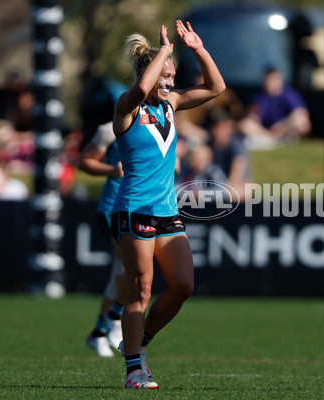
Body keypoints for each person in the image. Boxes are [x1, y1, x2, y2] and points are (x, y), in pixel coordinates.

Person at [110, 21, 225, 389]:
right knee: (141, 289)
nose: (168, 82)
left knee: (182, 286)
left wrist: (197, 49)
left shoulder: (172, 105)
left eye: (172, 76)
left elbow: (216, 87)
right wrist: (164, 52)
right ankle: (133, 371)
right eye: (164, 75)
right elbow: (143, 86)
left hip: (166, 212)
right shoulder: (126, 108)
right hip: (134, 209)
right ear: (149, 71)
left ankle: (139, 342)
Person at [79, 121, 128, 358]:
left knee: (124, 271)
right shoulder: (109, 129)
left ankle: (101, 329)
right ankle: (114, 321)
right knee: (130, 268)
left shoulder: (165, 121)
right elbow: (85, 161)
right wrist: (112, 170)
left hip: (147, 205)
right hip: (115, 207)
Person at [238, 67, 311, 149]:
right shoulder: (259, 98)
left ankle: (277, 139)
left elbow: (301, 114)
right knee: (244, 125)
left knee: (301, 122)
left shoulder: (290, 94)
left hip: (286, 128)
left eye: (273, 80)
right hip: (266, 131)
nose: (270, 83)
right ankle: (273, 139)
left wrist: (282, 126)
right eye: (268, 80)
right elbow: (252, 118)